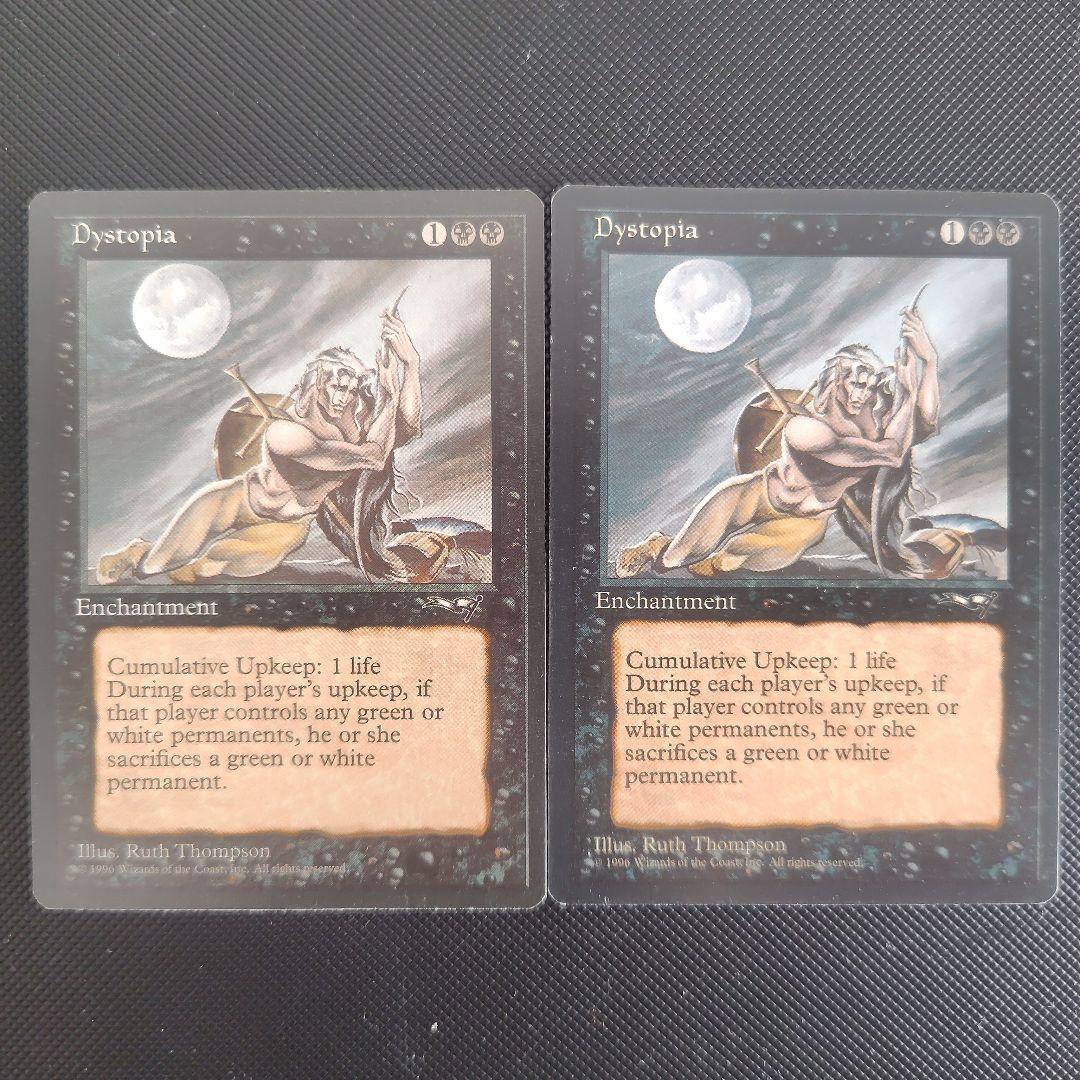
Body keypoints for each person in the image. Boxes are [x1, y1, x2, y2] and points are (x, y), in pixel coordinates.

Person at [97, 310, 422, 584]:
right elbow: (374, 455)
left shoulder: (355, 433)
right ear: (316, 385)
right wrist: (389, 395)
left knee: (207, 569)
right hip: (234, 501)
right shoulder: (287, 433)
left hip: (287, 527)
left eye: (351, 390)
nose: (344, 397)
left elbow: (407, 427)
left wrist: (411, 363)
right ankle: (137, 551)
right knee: (152, 567)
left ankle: (190, 568)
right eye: (338, 386)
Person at [615, 305, 940, 578]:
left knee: (727, 560)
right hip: (754, 495)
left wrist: (929, 363)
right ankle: (656, 544)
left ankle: (712, 561)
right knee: (672, 561)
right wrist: (908, 393)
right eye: (856, 384)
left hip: (805, 523)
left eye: (870, 386)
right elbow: (893, 452)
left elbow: (924, 423)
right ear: (836, 382)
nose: (863, 394)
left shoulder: (877, 428)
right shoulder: (806, 428)